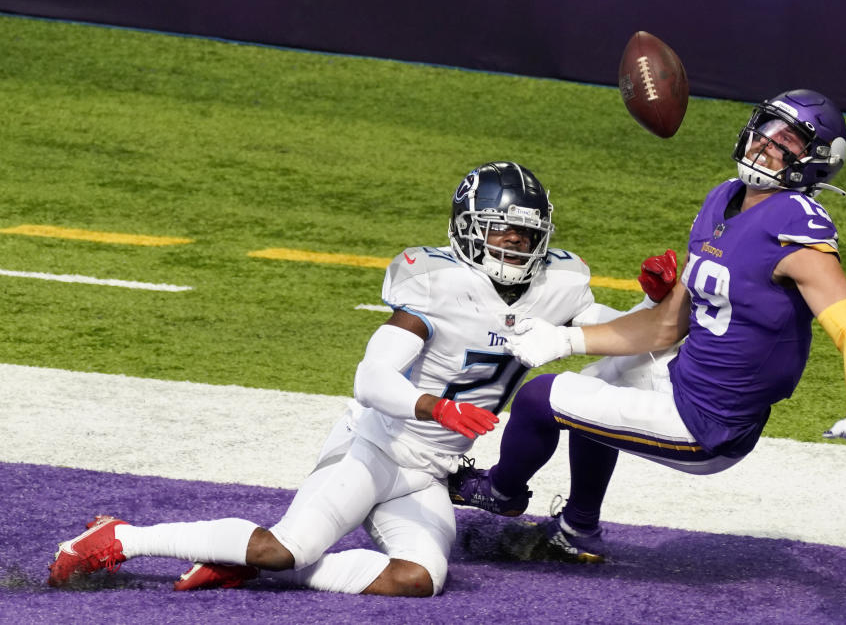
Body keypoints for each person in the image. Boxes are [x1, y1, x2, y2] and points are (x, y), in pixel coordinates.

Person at [46, 161, 659, 596]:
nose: (513, 242)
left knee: (418, 581)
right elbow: (370, 378)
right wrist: (437, 408)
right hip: (375, 447)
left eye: (524, 232)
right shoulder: (435, 283)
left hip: (430, 475)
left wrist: (656, 306)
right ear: (467, 230)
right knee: (284, 546)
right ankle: (122, 536)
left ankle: (243, 564)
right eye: (500, 229)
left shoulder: (557, 284)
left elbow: (620, 339)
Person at [448, 89, 846, 563]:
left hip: (709, 425)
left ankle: (500, 492)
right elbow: (664, 327)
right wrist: (566, 340)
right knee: (597, 382)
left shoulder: (797, 229)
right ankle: (578, 530)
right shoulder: (725, 197)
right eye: (766, 128)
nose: (765, 144)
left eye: (787, 141)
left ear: (816, 161)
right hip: (685, 377)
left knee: (539, 398)